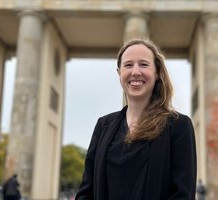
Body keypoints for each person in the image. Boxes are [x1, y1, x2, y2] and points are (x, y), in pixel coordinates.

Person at [75, 38, 197, 200]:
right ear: (119, 73)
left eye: (144, 64)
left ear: (157, 73)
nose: (135, 72)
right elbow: (86, 191)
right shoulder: (103, 125)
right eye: (128, 65)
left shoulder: (178, 126)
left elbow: (183, 195)